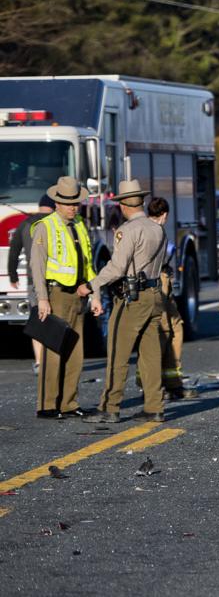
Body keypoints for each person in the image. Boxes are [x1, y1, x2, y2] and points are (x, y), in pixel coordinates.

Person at [80, 179, 167, 424]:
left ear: (123, 205)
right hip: (154, 295)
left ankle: (110, 407)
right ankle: (154, 407)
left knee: (118, 354)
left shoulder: (127, 230)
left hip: (132, 298)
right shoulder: (157, 228)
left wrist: (91, 285)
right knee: (150, 356)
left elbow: (117, 268)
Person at [28, 178, 100, 419]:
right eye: (68, 203)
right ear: (57, 203)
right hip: (56, 294)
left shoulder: (79, 224)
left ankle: (69, 403)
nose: (73, 207)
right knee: (53, 351)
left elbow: (88, 264)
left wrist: (95, 295)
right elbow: (37, 265)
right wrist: (42, 299)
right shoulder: (45, 226)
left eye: (76, 203)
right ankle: (48, 405)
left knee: (75, 352)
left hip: (78, 296)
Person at [145, 197, 194, 400]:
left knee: (175, 326)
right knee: (163, 331)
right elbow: (159, 257)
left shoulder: (143, 228)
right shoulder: (154, 230)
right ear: (164, 215)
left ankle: (171, 382)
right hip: (158, 283)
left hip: (160, 282)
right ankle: (156, 385)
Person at [9, 193, 55, 375]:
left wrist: (13, 275)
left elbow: (14, 251)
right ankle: (54, 361)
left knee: (38, 318)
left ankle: (39, 361)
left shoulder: (25, 224)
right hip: (56, 280)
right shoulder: (56, 223)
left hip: (33, 280)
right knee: (56, 321)